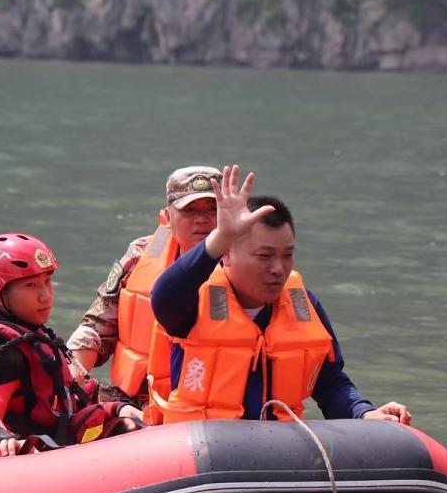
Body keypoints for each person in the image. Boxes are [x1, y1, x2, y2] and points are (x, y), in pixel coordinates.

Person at [149, 165, 412, 425]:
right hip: (203, 445)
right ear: (226, 254)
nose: (278, 268)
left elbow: (330, 382)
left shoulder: (304, 304)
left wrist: (365, 413)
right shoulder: (192, 301)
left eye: (287, 255)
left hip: (279, 444)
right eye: (264, 256)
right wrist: (221, 237)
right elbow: (163, 297)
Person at [0, 233, 142, 456]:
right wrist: (3, 441)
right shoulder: (1, 353)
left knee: (124, 423)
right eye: (31, 285)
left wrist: (116, 409)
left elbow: (64, 395)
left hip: (53, 440)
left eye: (47, 281)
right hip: (20, 458)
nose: (46, 296)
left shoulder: (31, 334)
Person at [66, 166, 221, 410]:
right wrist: (70, 378)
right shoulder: (141, 253)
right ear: (167, 216)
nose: (202, 219)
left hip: (212, 404)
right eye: (189, 210)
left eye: (212, 209)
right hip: (133, 399)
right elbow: (97, 326)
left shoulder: (248, 263)